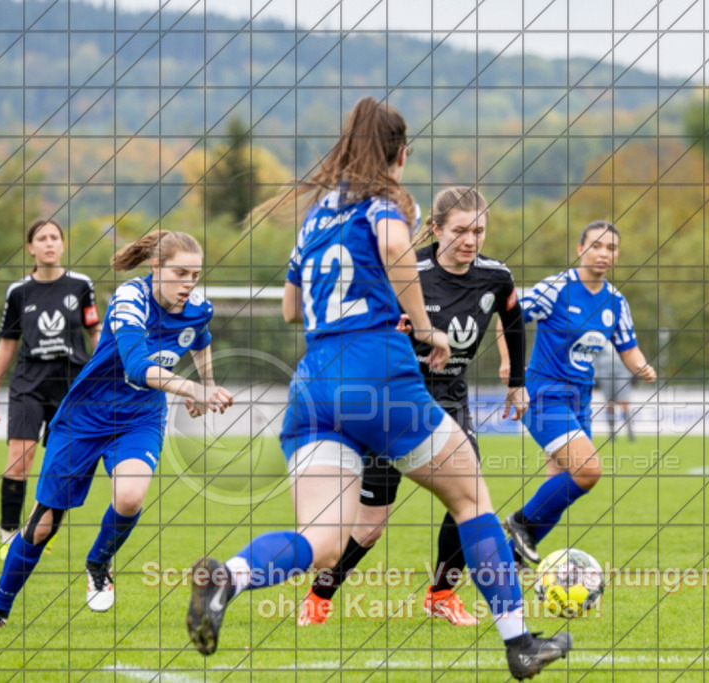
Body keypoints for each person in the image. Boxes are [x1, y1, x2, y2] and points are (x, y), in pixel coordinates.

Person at [185, 98, 571, 679]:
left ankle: (230, 578)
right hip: (376, 373)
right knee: (471, 501)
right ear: (401, 152)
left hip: (313, 385)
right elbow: (395, 250)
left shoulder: (317, 215)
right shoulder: (389, 200)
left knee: (322, 542)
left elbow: (292, 308)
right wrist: (423, 326)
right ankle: (519, 642)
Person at [294, 186, 529, 628]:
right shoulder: (407, 271)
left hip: (448, 401)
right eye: (460, 230)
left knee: (472, 503)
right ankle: (320, 592)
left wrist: (516, 382)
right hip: (393, 404)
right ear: (436, 229)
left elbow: (513, 320)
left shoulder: (496, 277)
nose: (470, 240)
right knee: (369, 526)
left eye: (479, 230)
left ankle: (441, 593)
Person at [0, 231, 234, 629]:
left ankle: (98, 562)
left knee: (130, 497)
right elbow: (136, 367)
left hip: (140, 417)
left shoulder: (198, 305)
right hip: (85, 415)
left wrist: (206, 382)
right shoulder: (131, 299)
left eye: (195, 275)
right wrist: (194, 388)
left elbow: (200, 338)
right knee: (43, 524)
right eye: (180, 273)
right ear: (156, 269)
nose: (189, 284)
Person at [502, 221, 657, 565]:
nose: (603, 253)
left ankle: (507, 560)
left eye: (611, 248)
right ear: (580, 248)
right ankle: (520, 522)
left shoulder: (616, 301)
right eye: (596, 245)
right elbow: (508, 315)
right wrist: (508, 369)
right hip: (543, 394)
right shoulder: (556, 288)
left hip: (580, 400)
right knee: (588, 471)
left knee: (560, 487)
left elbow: (627, 346)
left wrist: (642, 366)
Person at [0, 219, 101, 560]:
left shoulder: (81, 285)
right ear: (31, 248)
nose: (49, 243)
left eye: (55, 237)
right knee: (20, 461)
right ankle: (8, 534)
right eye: (41, 238)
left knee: (63, 465)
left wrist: (107, 372)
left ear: (63, 245)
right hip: (28, 383)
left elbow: (95, 332)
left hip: (71, 386)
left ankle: (41, 531)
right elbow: (8, 342)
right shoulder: (19, 292)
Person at [593, 343, 635, 442]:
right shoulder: (601, 336)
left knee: (624, 402)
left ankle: (630, 434)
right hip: (604, 372)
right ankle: (612, 434)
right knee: (609, 403)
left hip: (622, 371)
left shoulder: (622, 335)